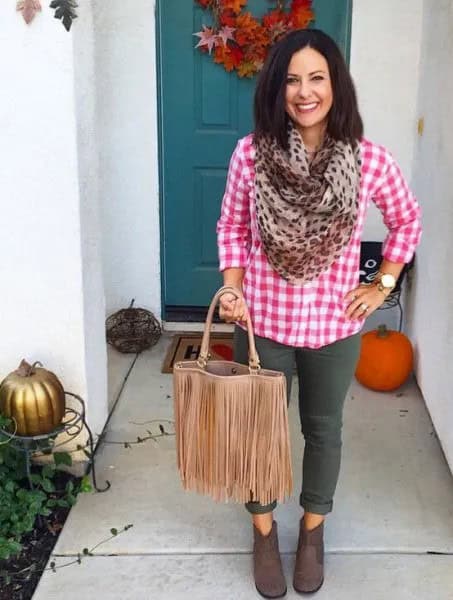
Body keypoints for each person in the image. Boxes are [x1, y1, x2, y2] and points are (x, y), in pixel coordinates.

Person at [216, 29, 422, 598]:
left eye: (317, 78)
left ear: (336, 85)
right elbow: (232, 227)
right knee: (257, 432)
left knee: (323, 431)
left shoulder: (369, 160)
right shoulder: (250, 155)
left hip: (334, 327)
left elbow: (407, 221)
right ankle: (262, 532)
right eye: (291, 79)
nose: (304, 92)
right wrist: (232, 286)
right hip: (262, 324)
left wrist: (381, 285)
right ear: (275, 88)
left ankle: (311, 532)